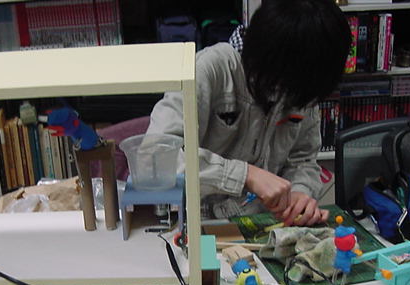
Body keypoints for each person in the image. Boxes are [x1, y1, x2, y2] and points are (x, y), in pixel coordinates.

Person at [145, 0, 352, 225]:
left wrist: (300, 193)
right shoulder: (210, 69)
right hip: (199, 222)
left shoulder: (303, 83)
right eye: (287, 86)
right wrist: (246, 175)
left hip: (264, 222)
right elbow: (155, 158)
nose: (290, 98)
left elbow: (303, 159)